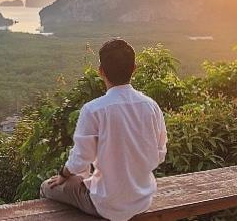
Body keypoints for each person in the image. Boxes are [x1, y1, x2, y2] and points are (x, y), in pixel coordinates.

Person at [40, 38, 167, 221]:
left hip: (106, 205)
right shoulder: (151, 107)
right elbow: (160, 153)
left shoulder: (94, 109)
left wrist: (62, 175)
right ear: (134, 69)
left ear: (101, 71)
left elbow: (80, 160)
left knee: (47, 187)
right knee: (84, 179)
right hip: (142, 200)